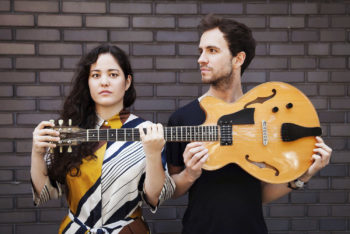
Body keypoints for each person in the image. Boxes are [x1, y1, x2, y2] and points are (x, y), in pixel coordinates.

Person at [166, 14, 332, 234]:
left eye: (212, 51)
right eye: (201, 51)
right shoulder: (182, 119)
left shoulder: (264, 112)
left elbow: (258, 195)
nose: (201, 59)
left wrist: (303, 176)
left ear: (238, 59)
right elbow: (173, 190)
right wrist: (189, 174)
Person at [31, 44, 175, 234]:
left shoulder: (147, 132)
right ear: (88, 82)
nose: (104, 82)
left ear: (127, 82)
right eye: (96, 75)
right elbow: (45, 193)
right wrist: (37, 153)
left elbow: (154, 197)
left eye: (113, 75)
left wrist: (154, 154)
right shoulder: (68, 131)